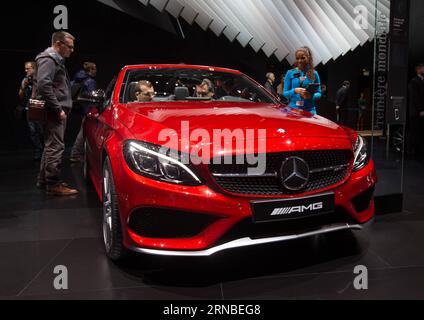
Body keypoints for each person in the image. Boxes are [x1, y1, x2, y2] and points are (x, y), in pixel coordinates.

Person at [33, 31, 78, 196]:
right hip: (53, 111)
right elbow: (44, 86)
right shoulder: (48, 59)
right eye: (70, 47)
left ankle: (44, 180)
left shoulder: (54, 60)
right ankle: (53, 183)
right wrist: (58, 108)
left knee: (50, 145)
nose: (72, 50)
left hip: (53, 110)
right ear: (59, 44)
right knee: (56, 147)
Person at [69, 62, 97, 163]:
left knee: (84, 132)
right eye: (94, 69)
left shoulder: (77, 79)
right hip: (88, 111)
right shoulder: (90, 81)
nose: (96, 71)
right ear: (90, 70)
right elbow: (92, 98)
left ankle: (78, 154)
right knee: (83, 133)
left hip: (79, 109)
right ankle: (75, 155)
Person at [283, 46, 322, 115]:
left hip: (309, 111)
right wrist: (294, 90)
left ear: (309, 58)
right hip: (293, 110)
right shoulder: (290, 73)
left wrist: (311, 96)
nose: (299, 61)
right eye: (297, 58)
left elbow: (319, 93)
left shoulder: (314, 73)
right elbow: (285, 93)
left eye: (303, 58)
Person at [18, 61, 44, 160]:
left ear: (34, 69)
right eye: (25, 68)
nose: (26, 70)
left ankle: (45, 150)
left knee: (42, 131)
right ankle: (38, 150)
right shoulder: (25, 80)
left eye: (28, 68)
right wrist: (24, 86)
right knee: (33, 131)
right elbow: (20, 96)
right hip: (29, 108)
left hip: (40, 108)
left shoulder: (40, 79)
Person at [406, 63, 424, 158]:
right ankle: (409, 152)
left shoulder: (421, 80)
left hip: (419, 111)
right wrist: (421, 110)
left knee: (419, 132)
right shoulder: (414, 81)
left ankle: (417, 151)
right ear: (418, 69)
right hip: (415, 112)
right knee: (413, 132)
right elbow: (415, 98)